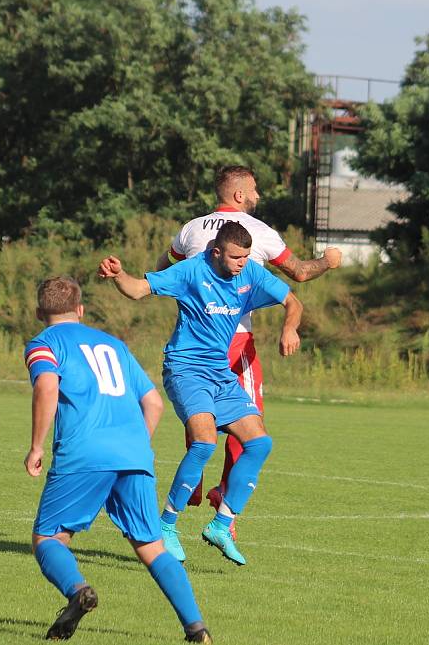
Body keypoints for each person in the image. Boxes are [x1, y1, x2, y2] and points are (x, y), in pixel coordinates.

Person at [98, 221, 303, 567]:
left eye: (246, 257)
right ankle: (166, 525)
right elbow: (137, 290)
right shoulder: (191, 271)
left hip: (220, 375)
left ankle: (221, 525)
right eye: (236, 257)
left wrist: (289, 328)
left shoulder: (250, 273)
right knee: (205, 442)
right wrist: (120, 275)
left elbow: (292, 301)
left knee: (260, 443)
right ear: (216, 251)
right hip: (184, 369)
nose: (242, 264)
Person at [24, 275, 212, 643]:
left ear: (38, 312)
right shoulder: (114, 344)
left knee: (48, 538)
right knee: (151, 546)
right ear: (80, 310)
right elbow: (153, 403)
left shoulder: (44, 342)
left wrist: (36, 446)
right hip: (135, 452)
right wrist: (132, 446)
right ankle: (197, 629)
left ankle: (77, 591)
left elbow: (47, 385)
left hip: (84, 451)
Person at [156, 165, 342, 537]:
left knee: (201, 417)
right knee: (251, 424)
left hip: (193, 344)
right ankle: (226, 503)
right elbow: (300, 273)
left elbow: (164, 264)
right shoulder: (257, 233)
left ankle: (191, 488)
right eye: (254, 190)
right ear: (239, 195)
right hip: (235, 343)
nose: (258, 196)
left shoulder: (192, 228)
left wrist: (165, 286)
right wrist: (329, 261)